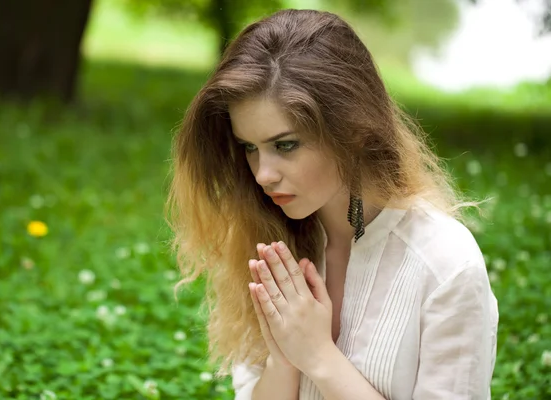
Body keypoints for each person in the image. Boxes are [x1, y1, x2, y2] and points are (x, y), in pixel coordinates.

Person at [165, 8, 498, 400]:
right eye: (249, 148)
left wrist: (318, 356)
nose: (262, 174)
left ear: (354, 131)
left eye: (285, 145)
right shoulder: (265, 241)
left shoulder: (445, 264)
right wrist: (284, 359)